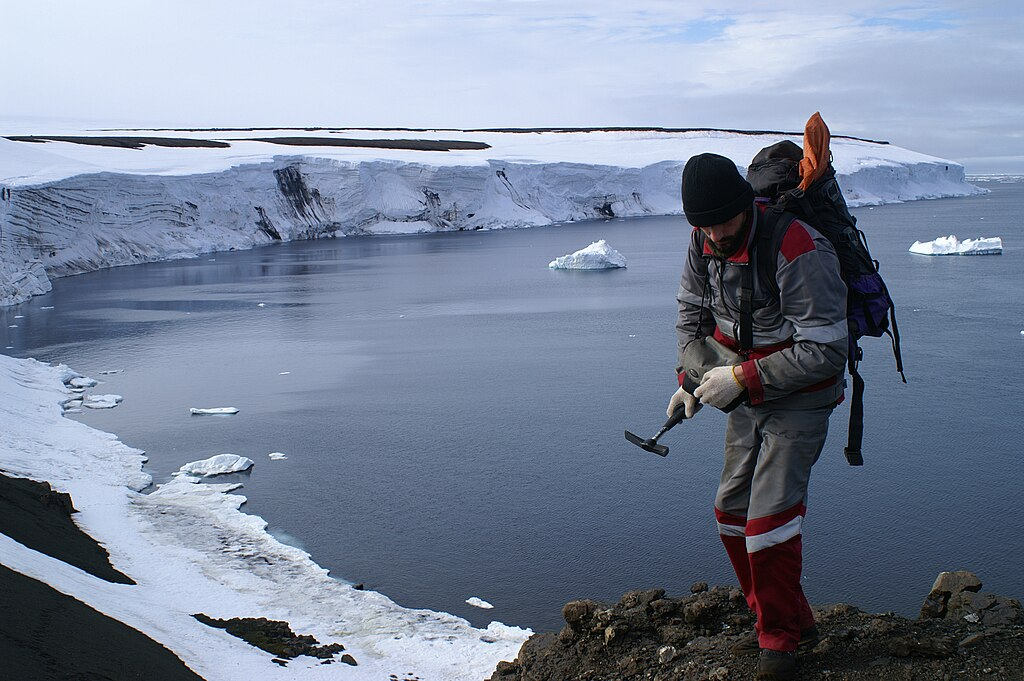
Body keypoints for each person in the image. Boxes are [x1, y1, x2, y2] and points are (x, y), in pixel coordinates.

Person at [668, 153, 848, 681]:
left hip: (802, 394)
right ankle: (791, 619)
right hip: (741, 387)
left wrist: (742, 379)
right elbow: (691, 318)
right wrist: (690, 383)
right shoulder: (704, 238)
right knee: (730, 511)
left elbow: (826, 350)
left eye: (724, 220)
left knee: (768, 520)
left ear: (747, 205)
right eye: (703, 224)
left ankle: (778, 646)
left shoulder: (796, 247)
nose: (716, 234)